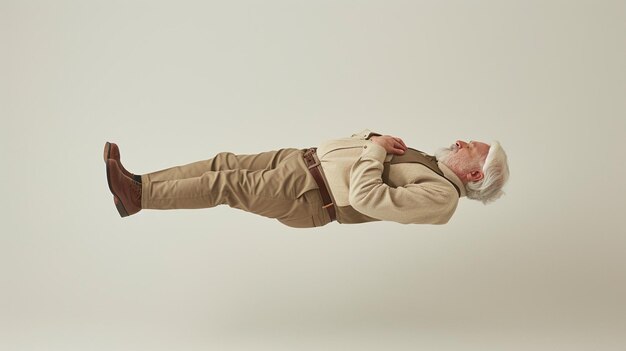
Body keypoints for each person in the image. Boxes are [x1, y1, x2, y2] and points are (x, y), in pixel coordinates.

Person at [104, 129, 509, 227]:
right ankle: (138, 182)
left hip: (309, 194)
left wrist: (375, 148)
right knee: (221, 163)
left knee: (224, 185)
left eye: (470, 146)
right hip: (304, 162)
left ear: (474, 174)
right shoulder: (434, 170)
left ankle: (138, 198)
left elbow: (368, 197)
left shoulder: (441, 197)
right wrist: (370, 140)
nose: (460, 141)